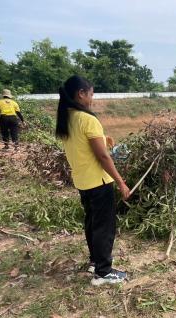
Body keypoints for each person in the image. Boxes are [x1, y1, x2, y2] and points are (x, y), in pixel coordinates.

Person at [56, 75, 130, 286]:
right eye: (91, 94)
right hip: (99, 182)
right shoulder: (88, 119)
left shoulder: (67, 117)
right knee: (104, 227)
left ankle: (95, 262)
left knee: (91, 223)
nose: (92, 99)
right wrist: (121, 182)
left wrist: (104, 141)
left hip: (82, 181)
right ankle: (103, 272)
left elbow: (82, 146)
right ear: (81, 94)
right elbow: (103, 156)